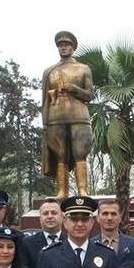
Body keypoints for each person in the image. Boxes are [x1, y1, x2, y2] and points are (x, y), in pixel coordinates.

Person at [41, 30, 94, 198]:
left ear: (73, 47)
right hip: (55, 116)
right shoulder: (49, 71)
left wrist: (74, 89)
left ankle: (83, 191)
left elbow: (90, 95)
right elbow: (44, 99)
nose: (63, 48)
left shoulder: (83, 68)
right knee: (60, 155)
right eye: (60, 45)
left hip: (79, 114)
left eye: (67, 45)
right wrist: (44, 122)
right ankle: (62, 191)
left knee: (80, 153)